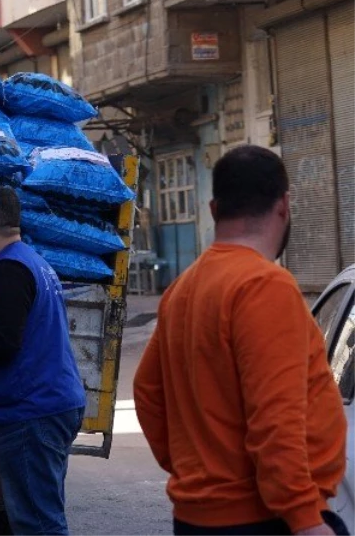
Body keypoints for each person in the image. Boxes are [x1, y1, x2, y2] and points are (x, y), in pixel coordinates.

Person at [133, 145, 348, 536]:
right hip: (265, 519)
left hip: (201, 517)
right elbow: (275, 419)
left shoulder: (182, 290)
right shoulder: (265, 285)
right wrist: (305, 520)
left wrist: (195, 469)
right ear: (284, 205)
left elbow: (147, 394)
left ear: (214, 210)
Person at [0, 186, 86, 536]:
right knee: (41, 516)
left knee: (38, 524)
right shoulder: (29, 262)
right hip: (46, 405)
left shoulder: (9, 271)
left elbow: (4, 343)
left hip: (31, 412)